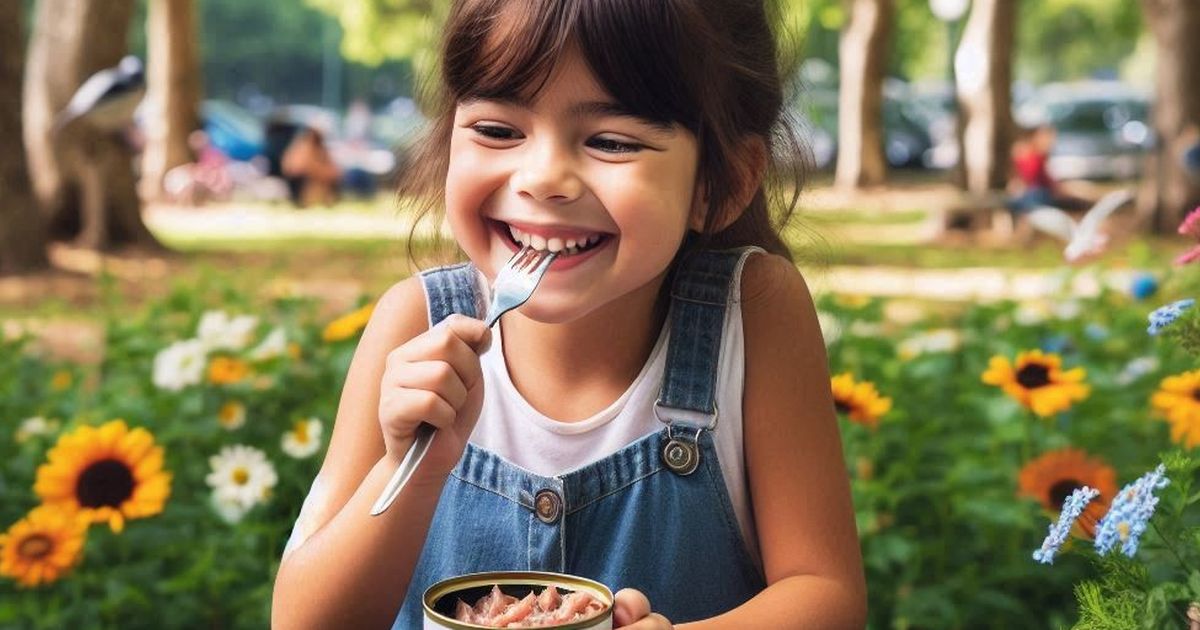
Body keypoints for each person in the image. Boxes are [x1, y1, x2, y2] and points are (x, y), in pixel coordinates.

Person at [271, 1, 866, 628]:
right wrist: (408, 468)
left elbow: (826, 594)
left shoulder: (753, 316)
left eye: (611, 141)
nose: (543, 178)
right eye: (498, 130)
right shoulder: (413, 324)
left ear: (720, 185)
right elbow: (304, 619)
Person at [281, 126, 341, 207]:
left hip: (321, 192)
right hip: (303, 191)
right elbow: (294, 169)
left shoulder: (323, 152)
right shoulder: (300, 149)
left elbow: (334, 173)